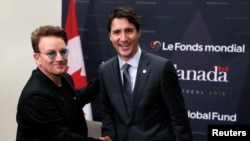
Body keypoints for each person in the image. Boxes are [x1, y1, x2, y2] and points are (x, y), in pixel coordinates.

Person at [99, 6, 193, 141]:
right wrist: (109, 136)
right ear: (110, 36)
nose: (123, 38)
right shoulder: (105, 70)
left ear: (138, 32)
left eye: (129, 31)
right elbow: (107, 112)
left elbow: (179, 121)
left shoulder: (162, 68)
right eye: (117, 32)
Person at [16, 25, 111, 141]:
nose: (60, 58)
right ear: (37, 58)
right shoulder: (35, 96)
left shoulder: (65, 78)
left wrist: (103, 76)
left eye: (63, 51)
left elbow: (75, 101)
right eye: (51, 53)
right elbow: (64, 138)